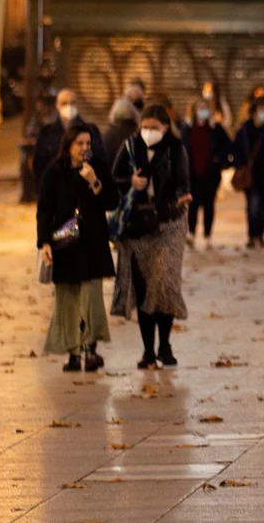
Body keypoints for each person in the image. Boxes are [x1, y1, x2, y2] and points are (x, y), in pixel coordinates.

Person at [111, 105, 192, 369]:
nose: (148, 132)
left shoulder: (175, 148)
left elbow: (183, 180)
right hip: (138, 226)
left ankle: (165, 345)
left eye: (154, 128)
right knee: (145, 287)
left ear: (166, 128)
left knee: (164, 284)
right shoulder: (130, 146)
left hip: (169, 224)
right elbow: (115, 178)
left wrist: (182, 194)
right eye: (144, 127)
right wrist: (130, 183)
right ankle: (148, 351)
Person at [37, 127, 118, 371]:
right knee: (68, 299)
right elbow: (44, 210)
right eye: (79, 143)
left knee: (91, 297)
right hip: (66, 244)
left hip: (92, 243)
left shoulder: (98, 168)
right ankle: (72, 353)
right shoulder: (54, 172)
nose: (84, 148)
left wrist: (94, 181)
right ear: (69, 145)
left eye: (87, 143)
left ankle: (90, 348)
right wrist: (44, 243)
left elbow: (113, 201)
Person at [29, 89, 106, 205]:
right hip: (56, 195)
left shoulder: (91, 130)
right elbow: (39, 164)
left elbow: (99, 157)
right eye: (64, 103)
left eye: (72, 102)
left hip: (84, 194)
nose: (69, 107)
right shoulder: (46, 132)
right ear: (57, 106)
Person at [182, 96, 232, 244]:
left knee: (209, 205)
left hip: (210, 174)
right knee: (193, 204)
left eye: (205, 108)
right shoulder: (187, 129)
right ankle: (191, 233)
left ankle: (207, 235)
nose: (203, 111)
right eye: (200, 108)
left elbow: (228, 146)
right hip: (192, 174)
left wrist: (220, 160)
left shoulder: (215, 129)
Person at [235, 99, 264, 248]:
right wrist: (239, 165)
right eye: (262, 110)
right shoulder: (244, 130)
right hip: (250, 175)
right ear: (254, 112)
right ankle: (252, 235)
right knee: (252, 205)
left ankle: (260, 235)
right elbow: (237, 149)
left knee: (263, 206)